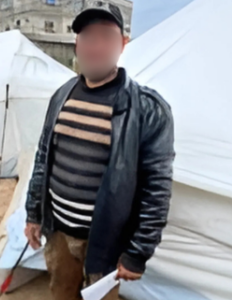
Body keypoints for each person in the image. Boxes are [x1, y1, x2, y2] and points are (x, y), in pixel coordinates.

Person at [25, 3, 175, 300]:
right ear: (77, 43)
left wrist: (138, 252)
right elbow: (43, 158)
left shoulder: (148, 109)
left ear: (123, 44)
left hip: (106, 243)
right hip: (59, 235)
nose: (95, 46)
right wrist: (34, 213)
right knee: (61, 293)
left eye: (105, 37)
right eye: (88, 37)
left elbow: (156, 188)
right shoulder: (61, 95)